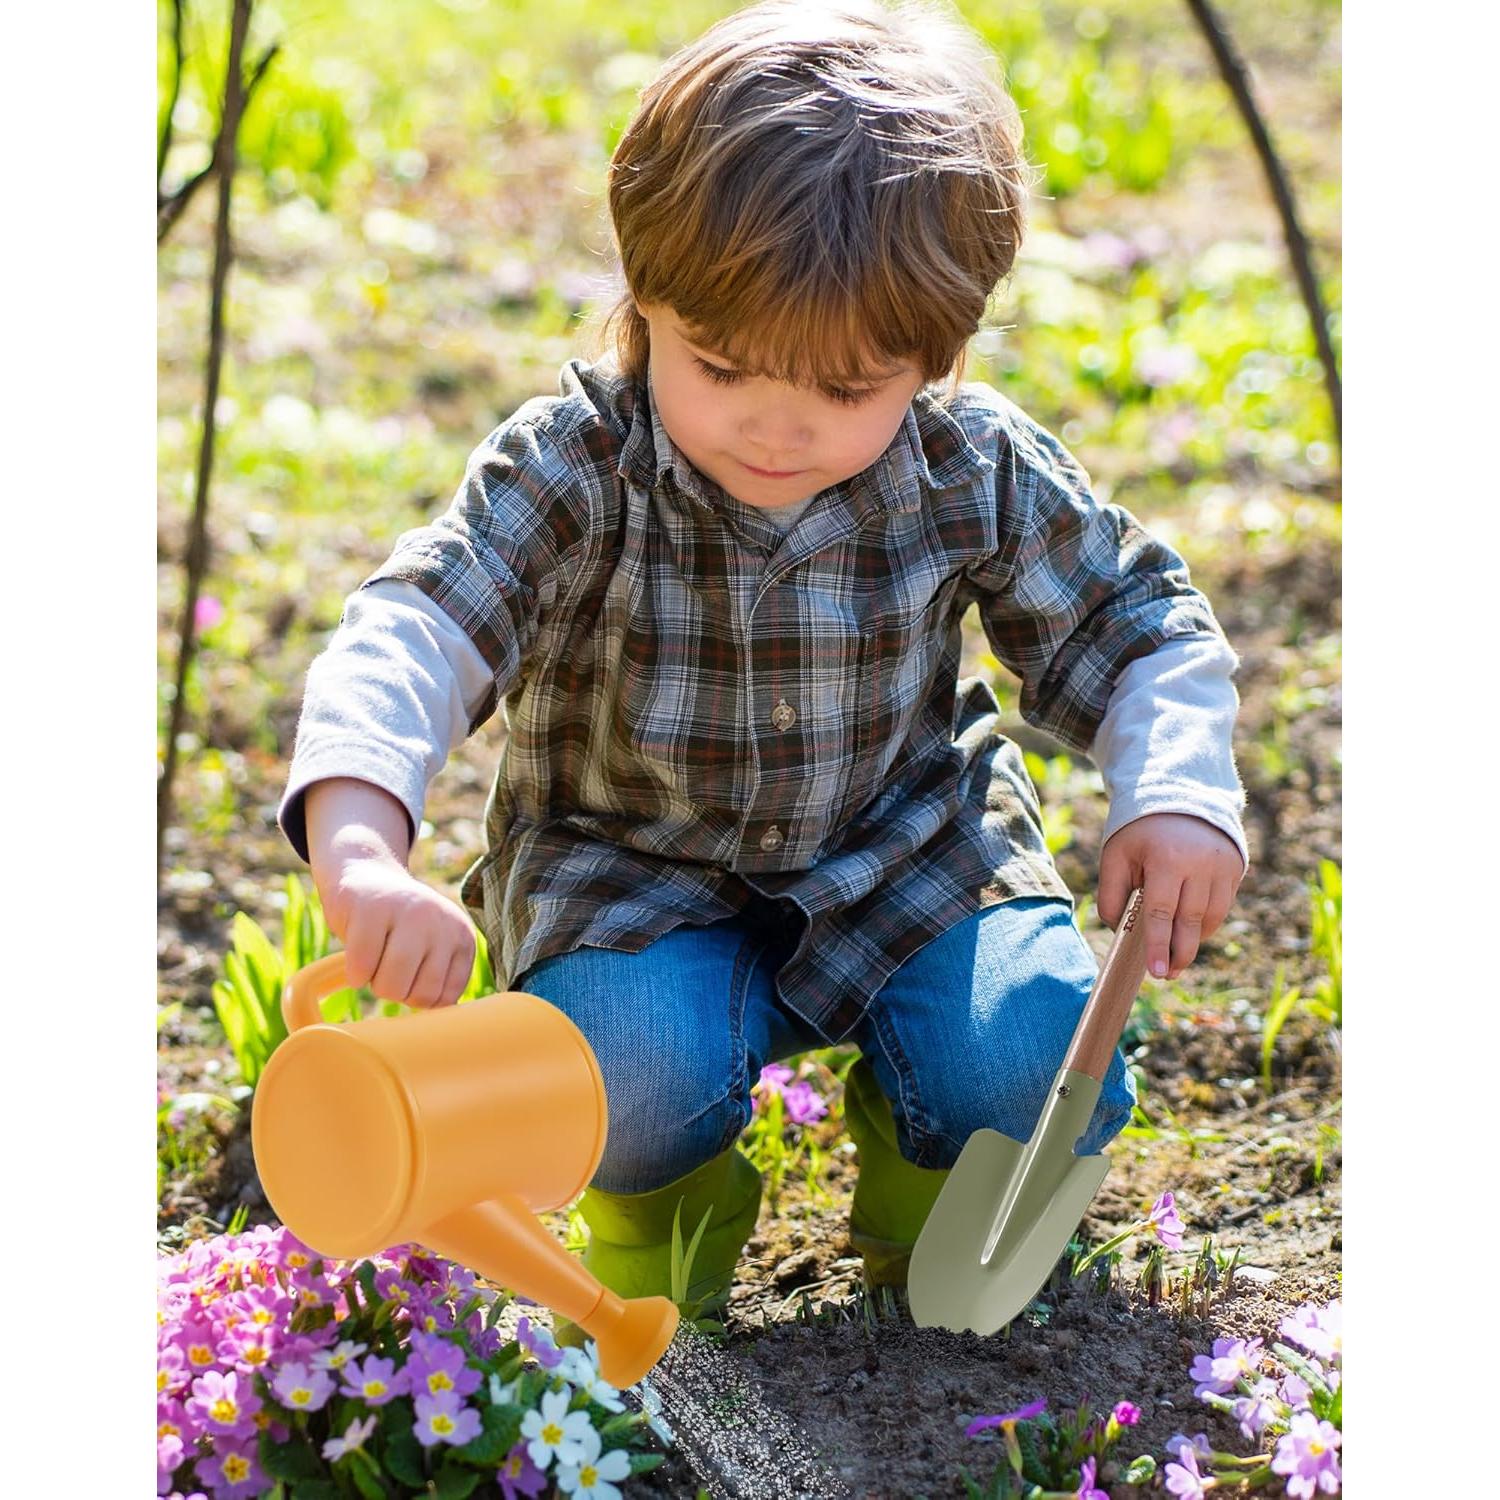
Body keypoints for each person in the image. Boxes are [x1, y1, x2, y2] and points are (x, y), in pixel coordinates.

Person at [278, 0, 1248, 1340]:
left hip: (905, 847)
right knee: (622, 1071)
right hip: (627, 871)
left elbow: (1137, 626)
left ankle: (925, 1204)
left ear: (937, 356)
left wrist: (1178, 792)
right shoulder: (579, 461)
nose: (776, 426)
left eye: (848, 390)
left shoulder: (967, 467)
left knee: (1029, 1050)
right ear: (642, 304)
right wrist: (361, 839)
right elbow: (418, 630)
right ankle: (665, 1218)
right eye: (719, 363)